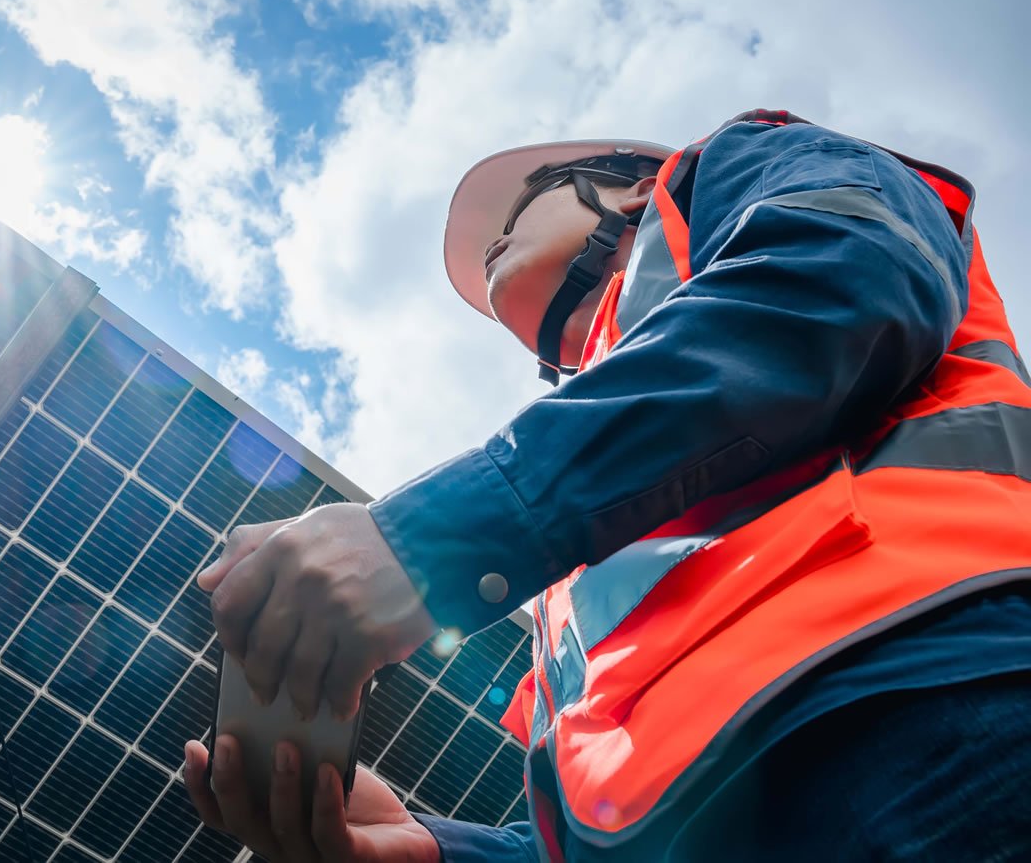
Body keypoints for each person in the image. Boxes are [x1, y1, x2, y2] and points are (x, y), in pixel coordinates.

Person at [181, 108, 1031, 861]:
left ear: (626, 192)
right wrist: (427, 848)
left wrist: (434, 541)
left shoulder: (734, 165)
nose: (490, 250)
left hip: (929, 708)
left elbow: (849, 278)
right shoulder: (569, 539)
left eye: (517, 211)